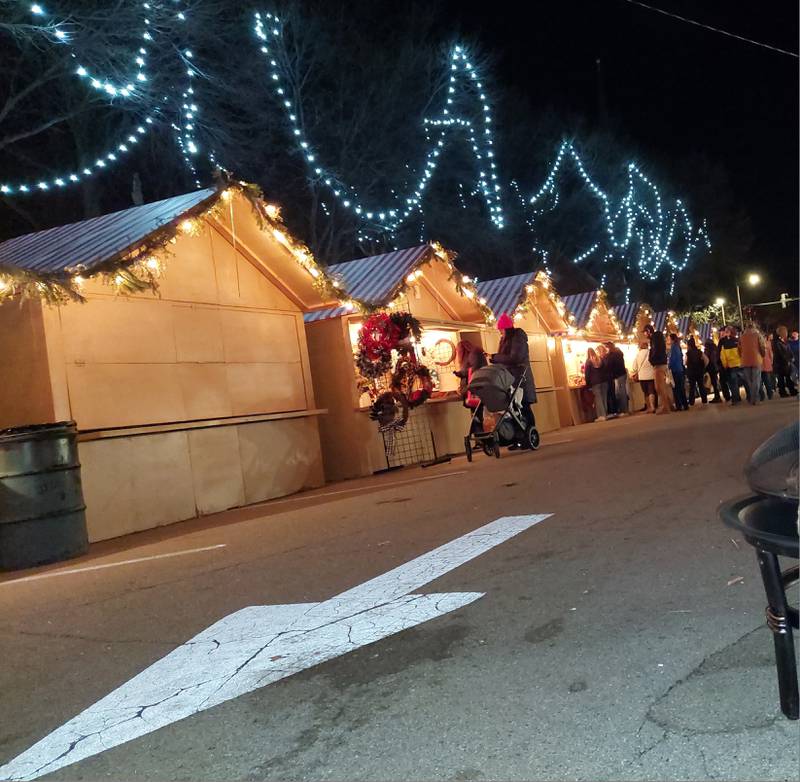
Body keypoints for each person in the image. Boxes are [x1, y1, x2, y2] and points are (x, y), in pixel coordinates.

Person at [490, 313, 537, 448]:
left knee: (524, 407)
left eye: (501, 330)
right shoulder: (505, 340)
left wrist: (495, 357)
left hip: (521, 379)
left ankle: (529, 435)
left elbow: (515, 358)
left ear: (506, 329)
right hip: (511, 380)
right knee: (515, 409)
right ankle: (519, 438)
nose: (500, 333)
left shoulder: (518, 338)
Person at [455, 340, 487, 434]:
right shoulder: (476, 353)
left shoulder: (472, 355)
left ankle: (480, 437)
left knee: (477, 414)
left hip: (473, 390)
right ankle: (480, 438)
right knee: (478, 414)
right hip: (476, 389)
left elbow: (471, 372)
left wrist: (460, 374)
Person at [645, 324, 670, 414]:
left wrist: (651, 359)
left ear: (648, 331)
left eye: (645, 332)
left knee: (659, 387)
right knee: (662, 386)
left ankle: (665, 407)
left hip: (658, 364)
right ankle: (669, 405)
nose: (645, 335)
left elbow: (655, 350)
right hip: (662, 363)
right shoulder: (659, 337)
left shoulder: (654, 339)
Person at [739, 322, 765, 405]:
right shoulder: (758, 335)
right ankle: (755, 398)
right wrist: (762, 354)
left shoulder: (742, 336)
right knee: (756, 380)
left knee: (749, 380)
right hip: (756, 359)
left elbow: (739, 348)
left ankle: (752, 397)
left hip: (745, 360)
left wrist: (742, 356)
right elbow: (762, 346)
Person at [718, 325, 744, 404]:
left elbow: (722, 355)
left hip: (731, 365)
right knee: (744, 381)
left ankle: (735, 399)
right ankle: (750, 396)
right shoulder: (737, 340)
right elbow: (741, 352)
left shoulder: (723, 342)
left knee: (733, 383)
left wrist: (725, 364)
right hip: (739, 363)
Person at [630, 339, 656, 413]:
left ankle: (649, 408)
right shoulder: (650, 352)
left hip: (642, 376)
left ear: (640, 347)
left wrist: (634, 372)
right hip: (651, 375)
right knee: (651, 391)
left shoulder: (638, 355)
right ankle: (653, 406)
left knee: (646, 392)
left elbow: (634, 367)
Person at [584, 347, 609, 421]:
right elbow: (605, 370)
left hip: (595, 383)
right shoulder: (600, 359)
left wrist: (588, 384)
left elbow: (587, 374)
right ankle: (605, 414)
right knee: (604, 398)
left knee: (598, 399)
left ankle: (601, 415)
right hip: (604, 381)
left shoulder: (588, 361)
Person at [605, 341, 629, 417]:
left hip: (618, 375)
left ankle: (624, 410)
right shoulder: (619, 353)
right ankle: (625, 410)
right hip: (622, 374)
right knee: (622, 392)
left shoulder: (612, 355)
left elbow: (609, 365)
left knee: (621, 393)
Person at [772, 326, 798, 397]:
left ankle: (791, 390)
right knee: (782, 378)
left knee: (788, 377)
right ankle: (783, 392)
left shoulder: (784, 341)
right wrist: (787, 359)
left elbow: (788, 350)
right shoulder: (777, 342)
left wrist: (791, 357)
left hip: (786, 362)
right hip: (781, 363)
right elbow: (780, 353)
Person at [668, 333, 689, 411]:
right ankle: (685, 404)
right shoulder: (678, 347)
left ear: (672, 339)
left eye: (669, 338)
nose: (668, 340)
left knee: (676, 388)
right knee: (681, 388)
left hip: (675, 370)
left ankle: (679, 405)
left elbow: (672, 359)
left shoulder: (673, 347)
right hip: (680, 369)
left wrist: (669, 366)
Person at [685, 336, 707, 405]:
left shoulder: (688, 353)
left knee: (692, 386)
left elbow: (685, 362)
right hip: (699, 371)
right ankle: (704, 399)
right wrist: (703, 367)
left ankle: (691, 401)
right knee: (701, 385)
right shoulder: (699, 352)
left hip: (691, 372)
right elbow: (706, 360)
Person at [704, 337, 723, 403]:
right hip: (716, 367)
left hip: (711, 367)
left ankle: (717, 397)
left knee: (714, 383)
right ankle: (717, 396)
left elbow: (706, 358)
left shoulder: (708, 350)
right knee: (715, 382)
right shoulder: (715, 348)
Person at [760, 333, 774, 401]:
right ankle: (769, 394)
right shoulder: (768, 343)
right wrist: (771, 361)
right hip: (766, 363)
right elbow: (770, 353)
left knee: (760, 381)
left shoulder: (757, 344)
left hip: (760, 364)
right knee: (767, 380)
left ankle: (762, 395)